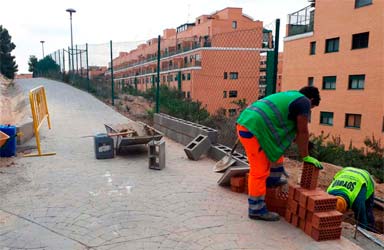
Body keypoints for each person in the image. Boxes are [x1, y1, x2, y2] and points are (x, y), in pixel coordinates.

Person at [236, 86, 323, 221]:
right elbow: (302, 131)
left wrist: (304, 143)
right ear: (311, 100)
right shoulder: (304, 102)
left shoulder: (291, 96)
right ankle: (256, 209)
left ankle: (272, 180)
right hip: (252, 129)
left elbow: (289, 129)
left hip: (252, 125)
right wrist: (306, 156)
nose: (309, 112)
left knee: (277, 154)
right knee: (259, 171)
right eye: (311, 108)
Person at [327, 167, 376, 231]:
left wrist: (362, 228)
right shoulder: (328, 193)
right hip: (346, 171)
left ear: (346, 208)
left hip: (364, 178)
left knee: (367, 210)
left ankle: (371, 229)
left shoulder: (357, 201)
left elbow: (362, 219)